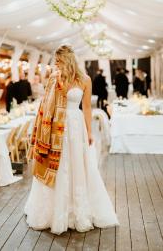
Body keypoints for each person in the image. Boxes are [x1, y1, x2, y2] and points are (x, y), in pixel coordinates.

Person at [24, 45, 119, 234]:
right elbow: (46, 104)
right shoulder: (54, 78)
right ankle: (53, 212)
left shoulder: (85, 79)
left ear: (67, 60)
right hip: (56, 128)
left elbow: (87, 107)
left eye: (58, 61)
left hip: (76, 127)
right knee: (57, 165)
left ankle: (77, 210)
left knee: (77, 164)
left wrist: (90, 132)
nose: (56, 64)